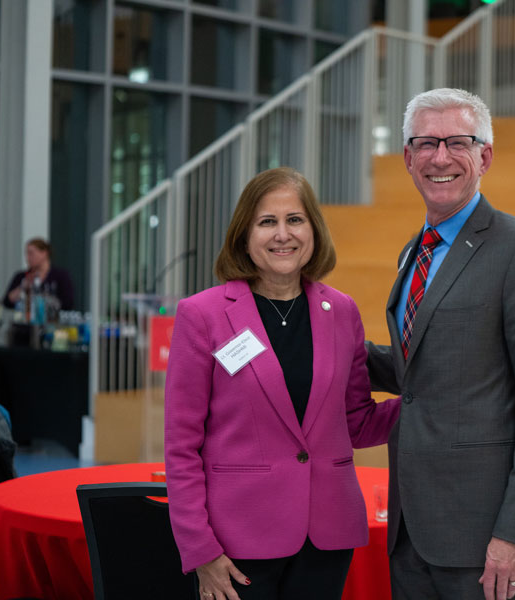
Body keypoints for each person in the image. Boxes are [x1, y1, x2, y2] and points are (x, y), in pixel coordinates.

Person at [365, 88, 515, 600]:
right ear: (407, 158)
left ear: (486, 156)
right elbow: (421, 375)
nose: (441, 158)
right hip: (412, 529)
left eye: (458, 142)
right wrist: (325, 334)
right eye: (426, 144)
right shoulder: (414, 252)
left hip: (487, 540)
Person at [164, 167, 400, 600]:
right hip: (237, 540)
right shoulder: (203, 315)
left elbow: (356, 422)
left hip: (327, 535)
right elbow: (181, 446)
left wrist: (427, 402)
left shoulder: (341, 310)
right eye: (266, 221)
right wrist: (199, 550)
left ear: (313, 229)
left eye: (295, 219)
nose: (282, 235)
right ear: (244, 235)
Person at [2, 238, 74, 311]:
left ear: (44, 253)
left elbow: (68, 303)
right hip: (25, 320)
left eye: (31, 253)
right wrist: (23, 286)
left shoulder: (60, 276)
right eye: (26, 254)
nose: (27, 258)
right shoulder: (21, 276)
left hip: (52, 320)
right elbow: (6, 302)